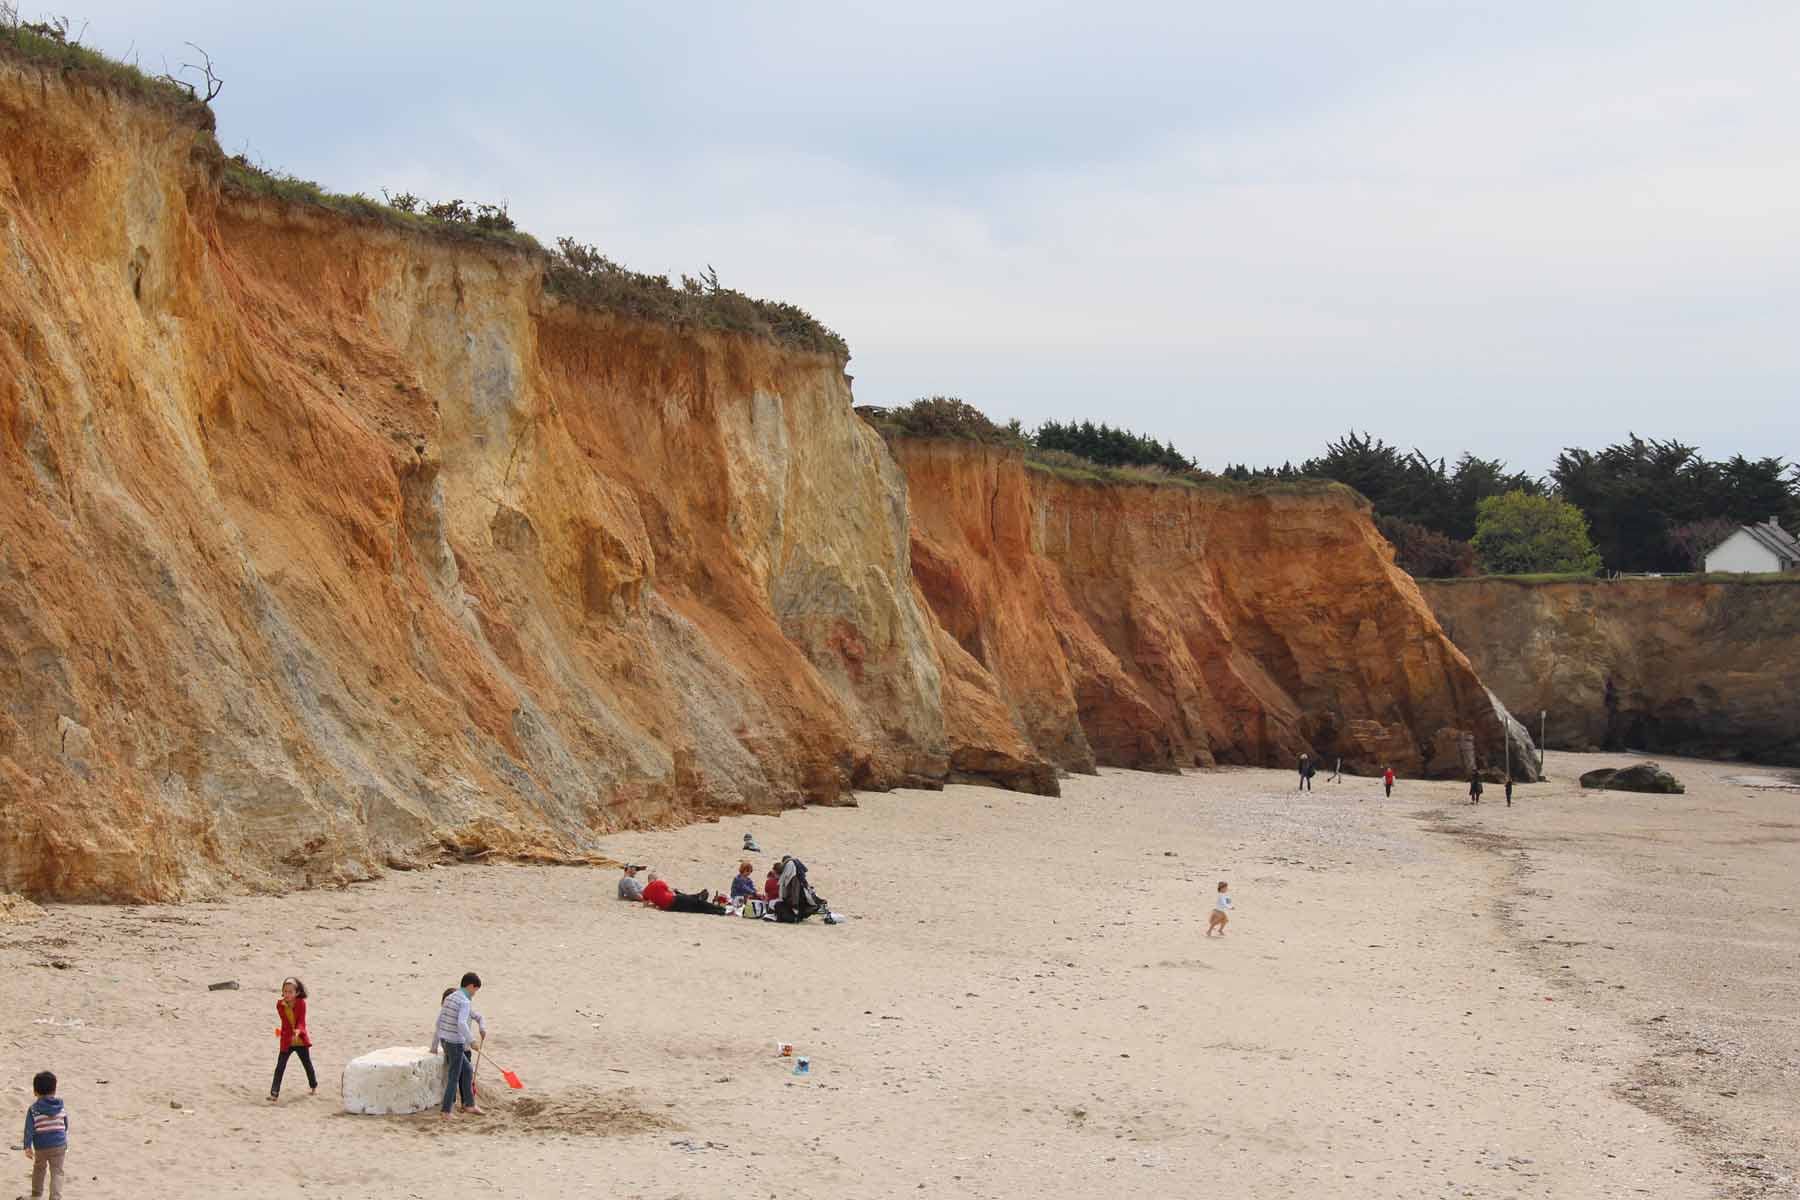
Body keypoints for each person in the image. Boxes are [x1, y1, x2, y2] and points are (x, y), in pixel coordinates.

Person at [431, 972, 484, 1119]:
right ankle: (446, 1111)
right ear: (471, 986)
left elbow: (440, 1021)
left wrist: (435, 1045)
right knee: (454, 1077)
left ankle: (469, 1104)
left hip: (445, 1040)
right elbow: (461, 1023)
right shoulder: (465, 1002)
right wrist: (472, 1040)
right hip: (455, 1042)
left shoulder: (450, 997)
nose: (474, 994)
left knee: (467, 1070)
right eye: (475, 990)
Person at [269, 976, 317, 1102]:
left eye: (290, 992)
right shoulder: (280, 1005)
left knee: (307, 1064)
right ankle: (274, 1092)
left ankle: (313, 1086)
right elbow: (285, 1021)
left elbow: (301, 1020)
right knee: (280, 1066)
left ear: (297, 992)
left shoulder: (301, 1003)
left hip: (300, 1040)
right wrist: (287, 1033)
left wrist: (298, 1030)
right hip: (287, 1040)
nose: (287, 994)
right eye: (285, 991)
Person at [22, 1070, 67, 1200]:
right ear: (54, 1090)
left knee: (39, 1169)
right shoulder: (60, 1106)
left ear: (35, 1092)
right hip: (59, 1144)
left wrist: (27, 1146)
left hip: (41, 1146)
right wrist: (64, 1140)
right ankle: (55, 1197)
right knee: (57, 1172)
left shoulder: (34, 1109)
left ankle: (36, 1195)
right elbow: (65, 1124)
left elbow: (29, 1129)